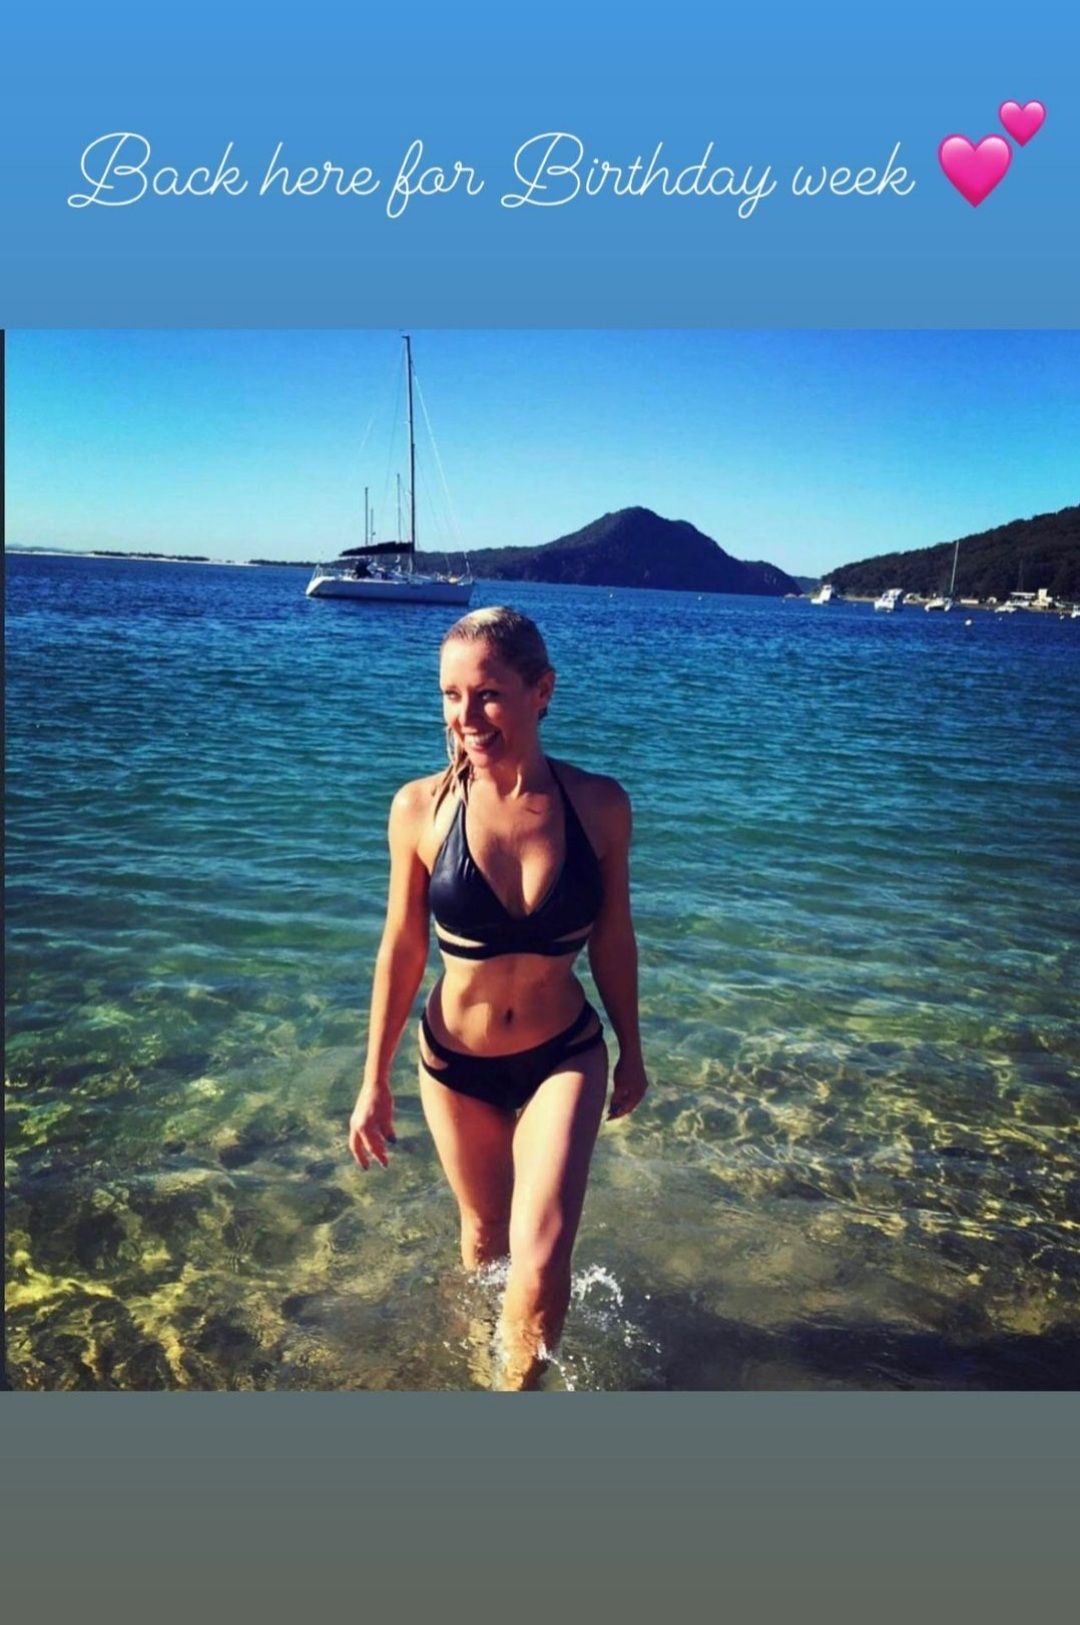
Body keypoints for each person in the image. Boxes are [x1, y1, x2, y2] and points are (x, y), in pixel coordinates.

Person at [347, 605, 648, 1388]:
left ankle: (517, 1396)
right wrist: (373, 1077)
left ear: (541, 690)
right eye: (450, 695)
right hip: (458, 1064)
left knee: (541, 1253)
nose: (465, 716)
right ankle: (474, 1373)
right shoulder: (420, 807)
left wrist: (632, 1049)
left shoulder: (600, 805)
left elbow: (614, 938)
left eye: (486, 694)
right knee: (485, 1242)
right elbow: (402, 946)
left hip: (563, 1054)